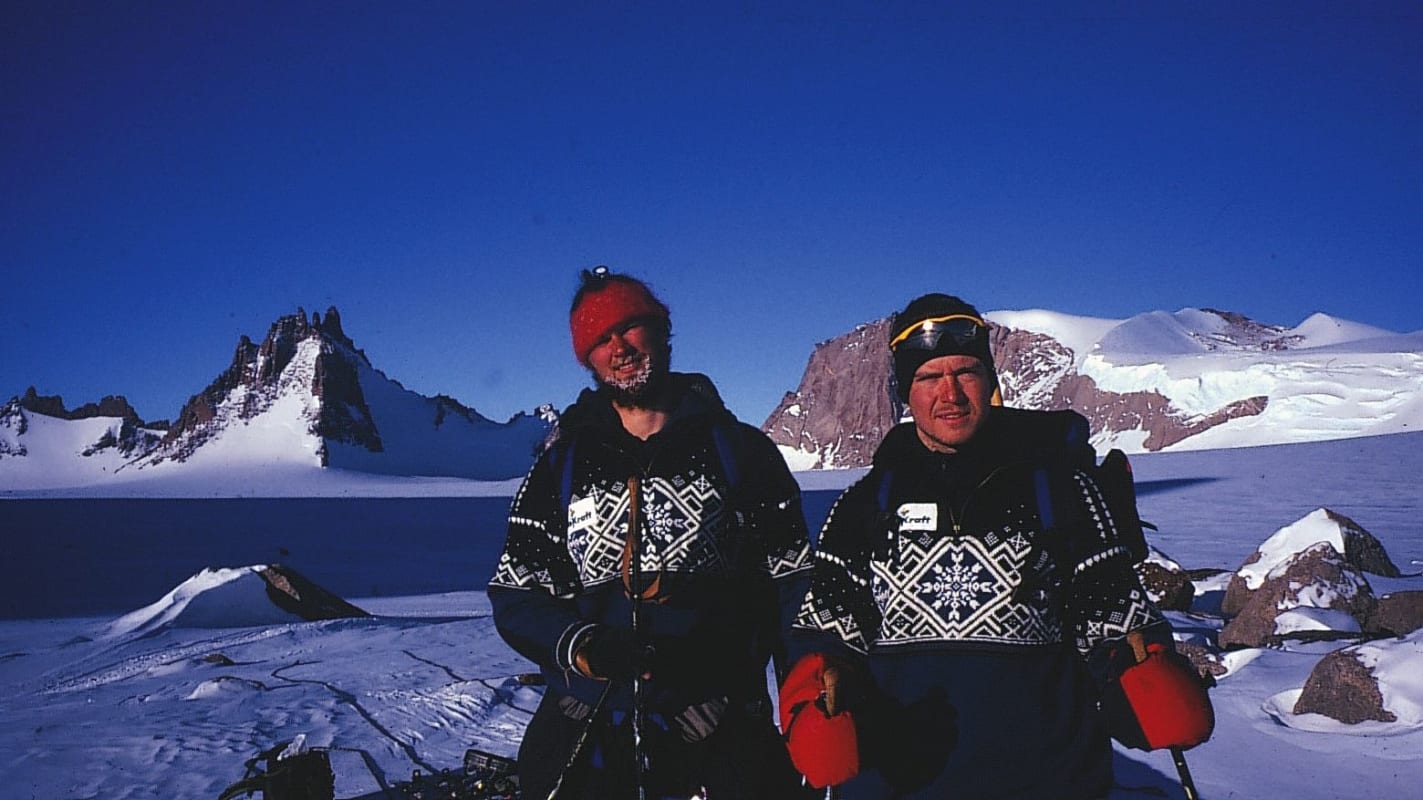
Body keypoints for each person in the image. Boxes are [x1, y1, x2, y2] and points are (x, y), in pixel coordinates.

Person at [781, 293, 1211, 799]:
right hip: (899, 784)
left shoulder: (1063, 490)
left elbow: (1117, 622)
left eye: (966, 372)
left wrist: (1143, 678)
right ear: (904, 391)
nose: (950, 394)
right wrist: (812, 694)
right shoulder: (861, 507)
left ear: (991, 380)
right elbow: (828, 635)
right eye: (927, 378)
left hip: (1049, 782)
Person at [489, 266, 814, 799]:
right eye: (599, 339)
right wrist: (583, 647)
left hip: (719, 716)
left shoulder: (741, 453)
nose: (618, 347)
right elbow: (515, 592)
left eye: (629, 326)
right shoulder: (560, 467)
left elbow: (792, 586)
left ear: (661, 330)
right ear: (587, 359)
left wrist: (799, 701)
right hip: (592, 723)